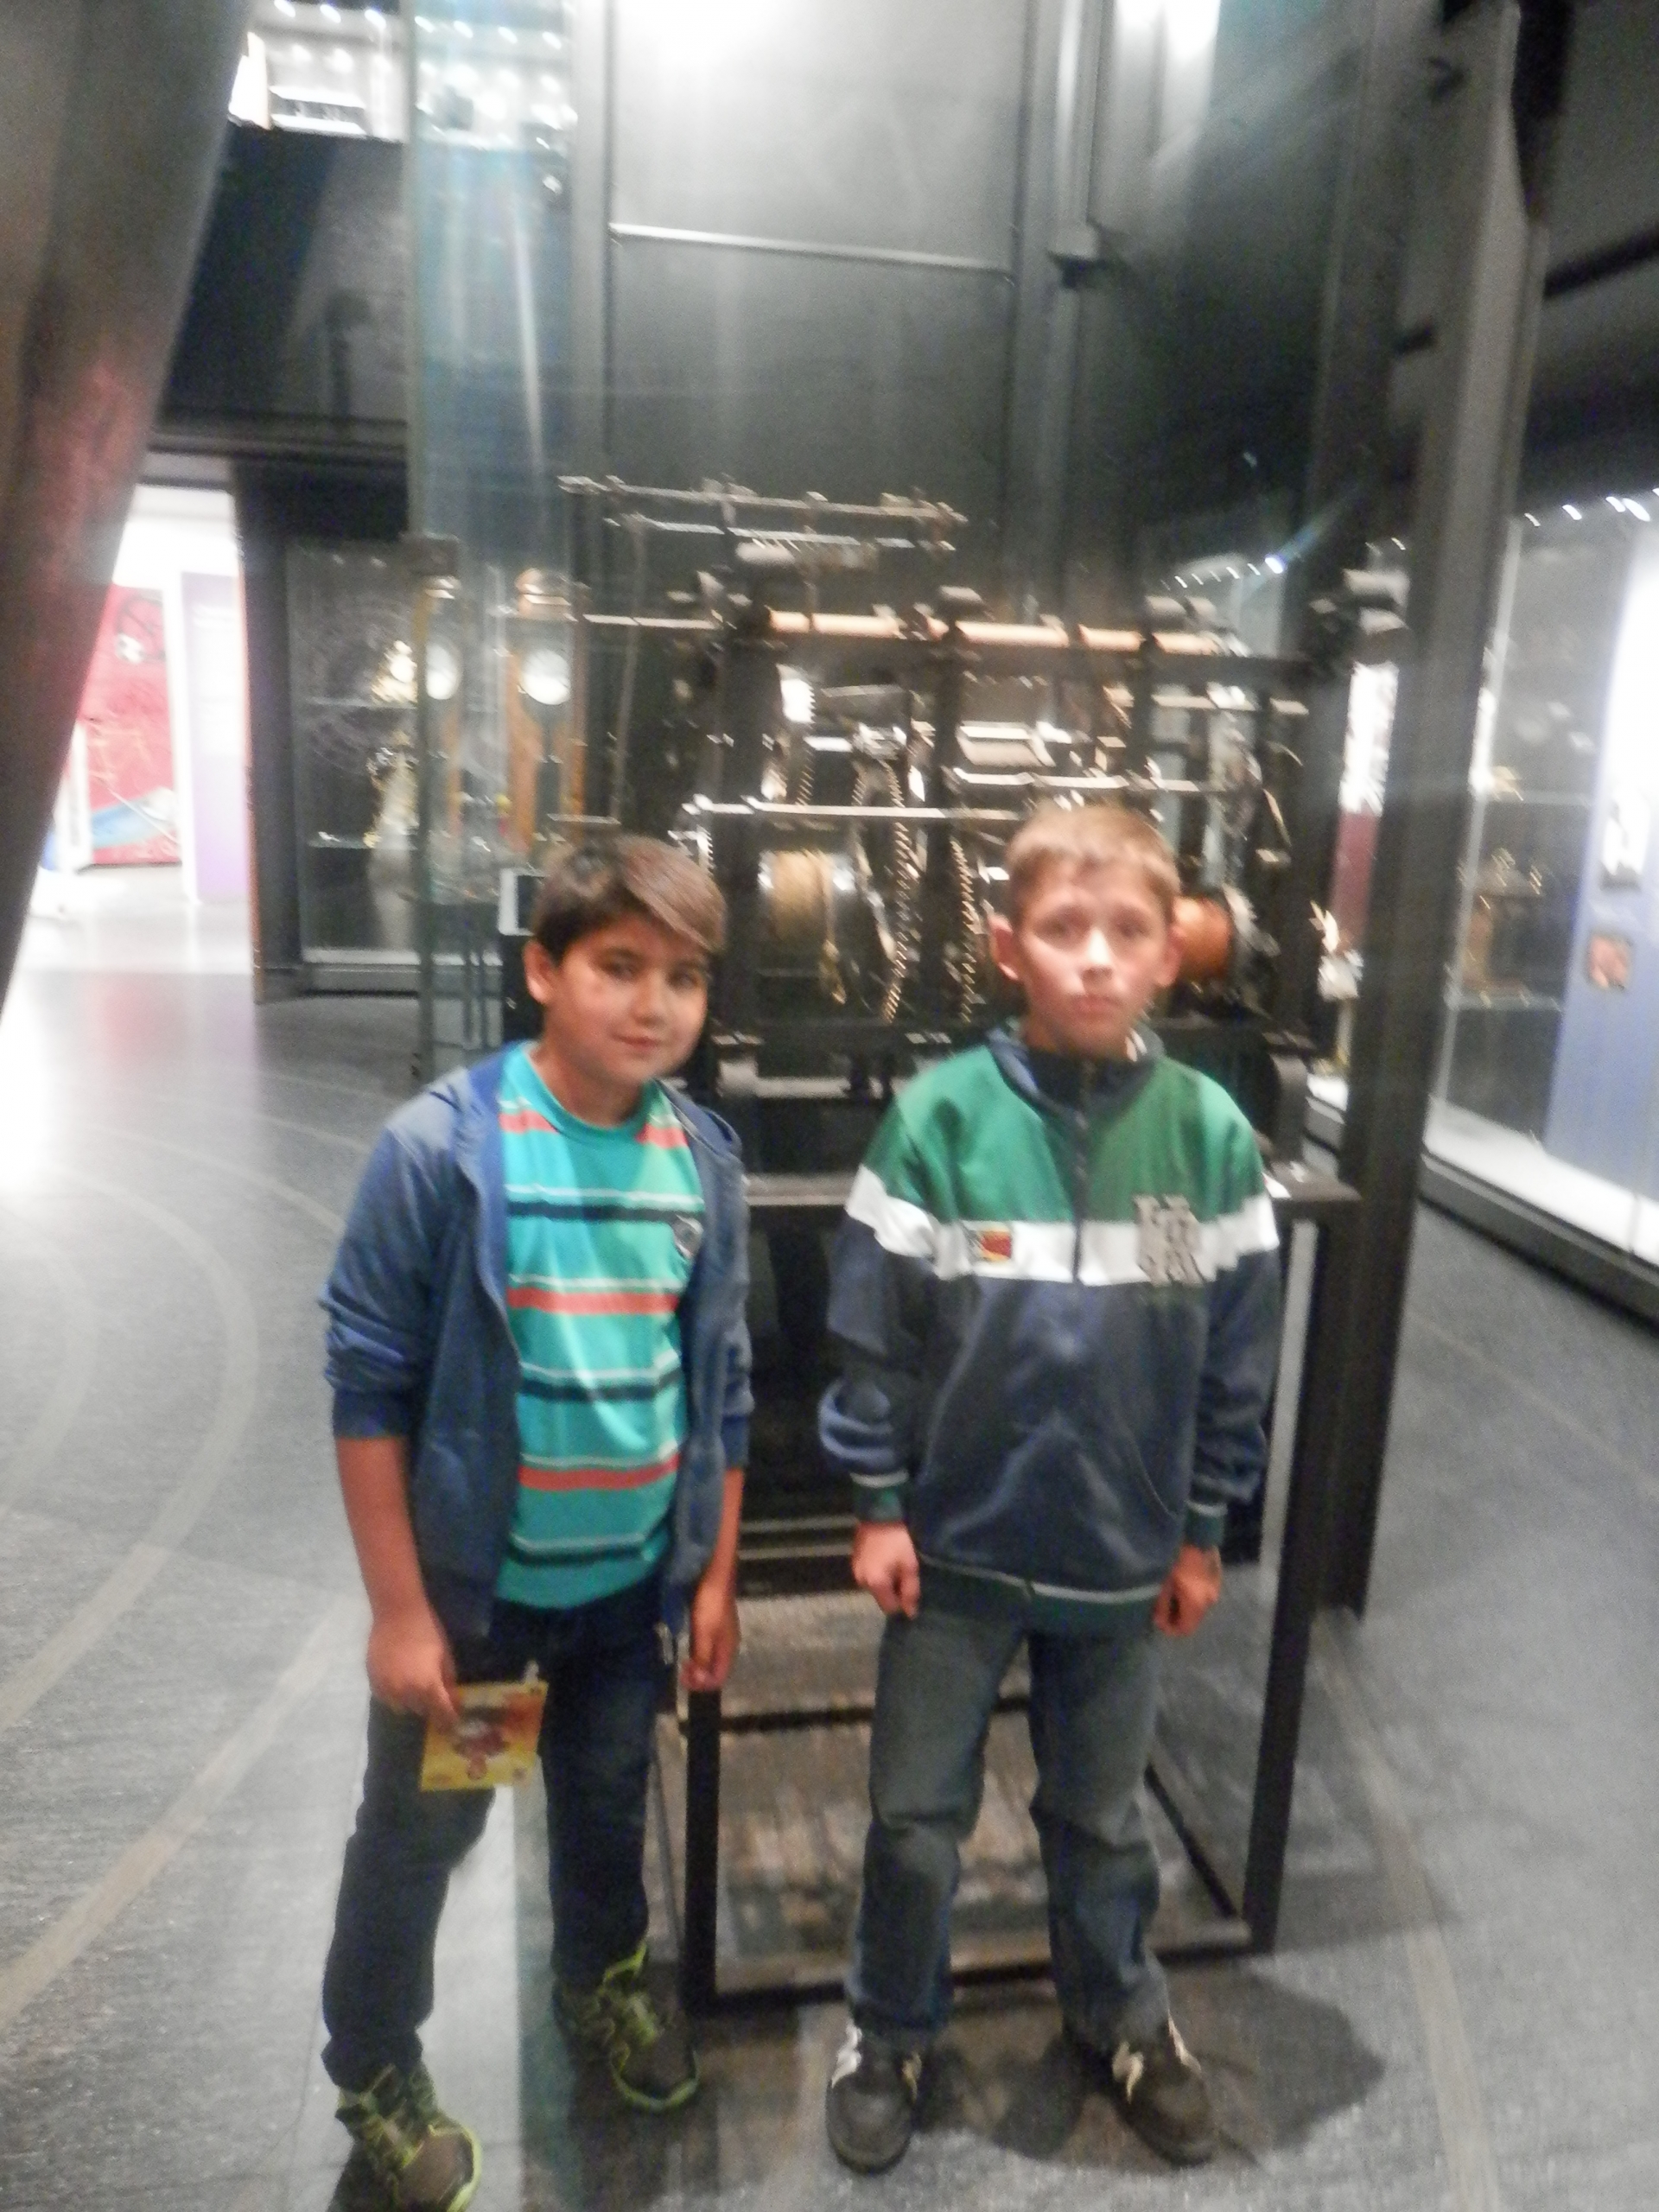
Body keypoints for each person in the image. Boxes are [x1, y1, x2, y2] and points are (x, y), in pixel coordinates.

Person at [818, 803, 1281, 2175]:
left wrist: (1201, 1532)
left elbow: (1236, 1363)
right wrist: (879, 1503)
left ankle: (1120, 2013)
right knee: (915, 1821)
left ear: (1170, 954)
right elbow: (870, 1334)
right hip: (953, 1554)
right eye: (1065, 929)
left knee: (1101, 1817)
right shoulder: (937, 1120)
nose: (1095, 957)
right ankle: (890, 2026)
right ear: (1007, 945)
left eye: (1127, 932)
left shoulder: (1210, 1139)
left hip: (1122, 1561)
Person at [318, 838, 751, 2211]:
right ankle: (376, 2066)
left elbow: (721, 1385)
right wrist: (403, 1611)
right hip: (486, 1616)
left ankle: (598, 1984)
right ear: (543, 971)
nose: (654, 1004)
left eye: (683, 977)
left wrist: (713, 1576)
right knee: (428, 1836)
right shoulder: (446, 1152)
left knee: (608, 1806)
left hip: (622, 1602)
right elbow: (368, 1390)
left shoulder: (702, 1162)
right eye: (619, 966)